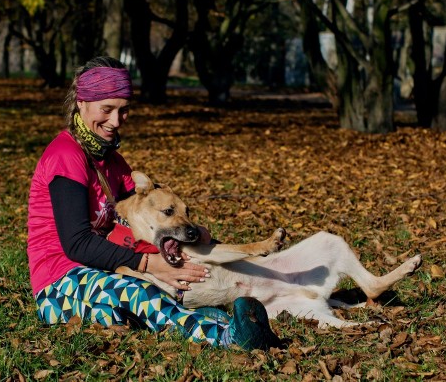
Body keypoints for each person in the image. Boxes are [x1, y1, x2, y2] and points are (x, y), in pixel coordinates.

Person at [27, 56, 281, 350]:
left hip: (102, 273)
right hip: (60, 284)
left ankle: (204, 317)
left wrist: (190, 232)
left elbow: (144, 214)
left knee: (125, 313)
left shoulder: (112, 161)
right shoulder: (65, 155)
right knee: (140, 292)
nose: (115, 121)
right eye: (106, 109)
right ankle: (228, 336)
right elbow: (77, 243)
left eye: (123, 111)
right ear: (82, 102)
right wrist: (149, 263)